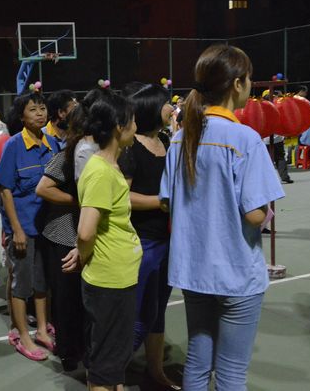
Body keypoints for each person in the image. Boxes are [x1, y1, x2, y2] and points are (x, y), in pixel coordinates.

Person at [160, 44, 285, 390]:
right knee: (231, 374)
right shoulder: (245, 139)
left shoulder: (180, 139)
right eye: (249, 79)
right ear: (237, 83)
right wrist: (267, 212)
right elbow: (255, 214)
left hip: (193, 270)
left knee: (198, 363)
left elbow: (167, 202)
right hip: (236, 271)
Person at [77, 93, 140, 391]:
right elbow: (85, 232)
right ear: (118, 126)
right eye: (132, 121)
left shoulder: (109, 165)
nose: (136, 127)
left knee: (114, 358)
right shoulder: (101, 172)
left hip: (118, 275)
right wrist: (83, 256)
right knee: (105, 364)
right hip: (109, 279)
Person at [118, 83, 180, 390]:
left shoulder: (167, 140)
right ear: (150, 108)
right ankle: (108, 375)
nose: (171, 108)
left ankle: (155, 371)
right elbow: (123, 197)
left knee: (158, 311)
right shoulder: (131, 148)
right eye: (166, 103)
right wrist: (161, 202)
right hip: (142, 242)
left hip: (168, 240)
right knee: (138, 314)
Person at [0, 91, 60, 361]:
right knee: (22, 284)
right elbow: (5, 190)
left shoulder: (53, 143)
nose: (40, 113)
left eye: (42, 108)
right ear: (21, 116)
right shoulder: (13, 145)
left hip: (47, 227)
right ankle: (22, 336)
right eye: (33, 109)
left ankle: (42, 329)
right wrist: (16, 230)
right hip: (23, 228)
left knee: (43, 282)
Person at [35, 99, 90, 371]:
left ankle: (83, 346)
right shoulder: (68, 155)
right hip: (63, 235)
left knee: (84, 299)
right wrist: (79, 202)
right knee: (66, 298)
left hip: (84, 235)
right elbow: (43, 188)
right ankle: (68, 350)